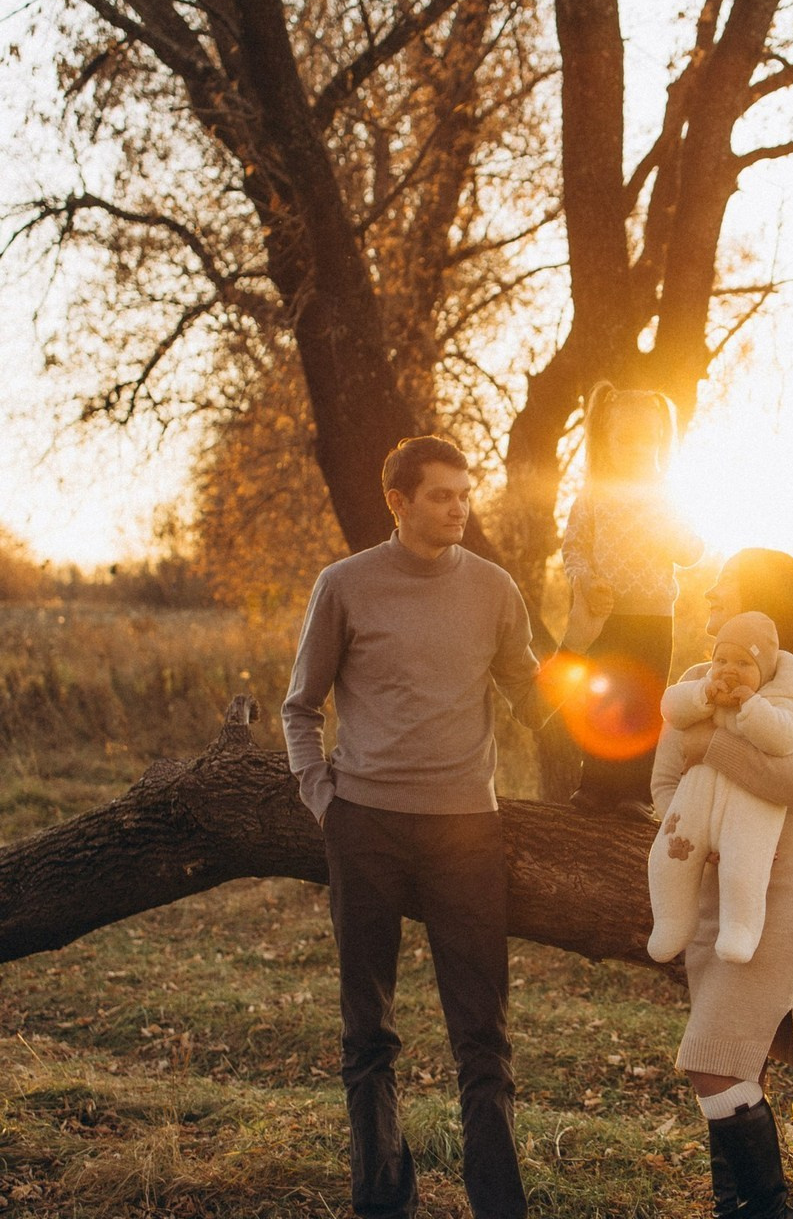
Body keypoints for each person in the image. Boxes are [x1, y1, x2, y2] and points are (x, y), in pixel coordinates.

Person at [281, 435, 605, 1219]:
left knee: (482, 1042)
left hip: (467, 833)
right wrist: (323, 797)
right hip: (367, 828)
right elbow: (301, 706)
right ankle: (381, 1202)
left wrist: (588, 642)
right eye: (442, 495)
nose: (459, 507)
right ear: (399, 501)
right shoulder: (346, 585)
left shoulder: (494, 590)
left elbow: (532, 701)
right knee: (369, 1037)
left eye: (465, 494)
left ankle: (499, 1207)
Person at [650, 549, 793, 1219]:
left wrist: (719, 749)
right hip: (713, 887)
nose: (708, 592)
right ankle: (733, 1210)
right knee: (736, 1065)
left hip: (791, 888)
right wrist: (688, 829)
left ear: (765, 603)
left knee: (710, 1058)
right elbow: (664, 781)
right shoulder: (697, 681)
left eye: (725, 585)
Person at [647, 610, 793, 965]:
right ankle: (670, 921)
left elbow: (784, 739)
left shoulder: (780, 699)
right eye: (721, 660)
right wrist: (703, 695)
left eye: (744, 662)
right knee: (668, 857)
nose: (729, 669)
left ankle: (740, 928)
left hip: (748, 809)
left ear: (765, 672)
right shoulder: (702, 687)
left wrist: (751, 706)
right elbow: (671, 706)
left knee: (744, 869)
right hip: (695, 800)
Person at [562, 381, 703, 820]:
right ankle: (595, 787)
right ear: (608, 440)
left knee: (644, 703)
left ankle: (634, 794)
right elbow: (574, 548)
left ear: (662, 442)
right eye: (628, 439)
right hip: (606, 617)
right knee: (603, 698)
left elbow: (691, 551)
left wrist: (673, 536)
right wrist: (585, 580)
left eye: (649, 440)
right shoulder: (594, 494)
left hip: (655, 617)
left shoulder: (669, 495)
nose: (639, 448)